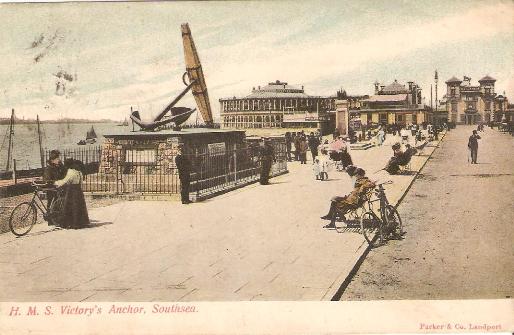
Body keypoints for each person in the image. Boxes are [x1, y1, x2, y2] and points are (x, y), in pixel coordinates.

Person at [54, 158, 90, 229]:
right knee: (79, 206)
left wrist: (56, 183)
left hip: (71, 190)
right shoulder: (79, 172)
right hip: (78, 190)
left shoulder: (70, 172)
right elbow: (81, 181)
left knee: (70, 206)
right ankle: (81, 223)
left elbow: (66, 180)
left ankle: (71, 223)